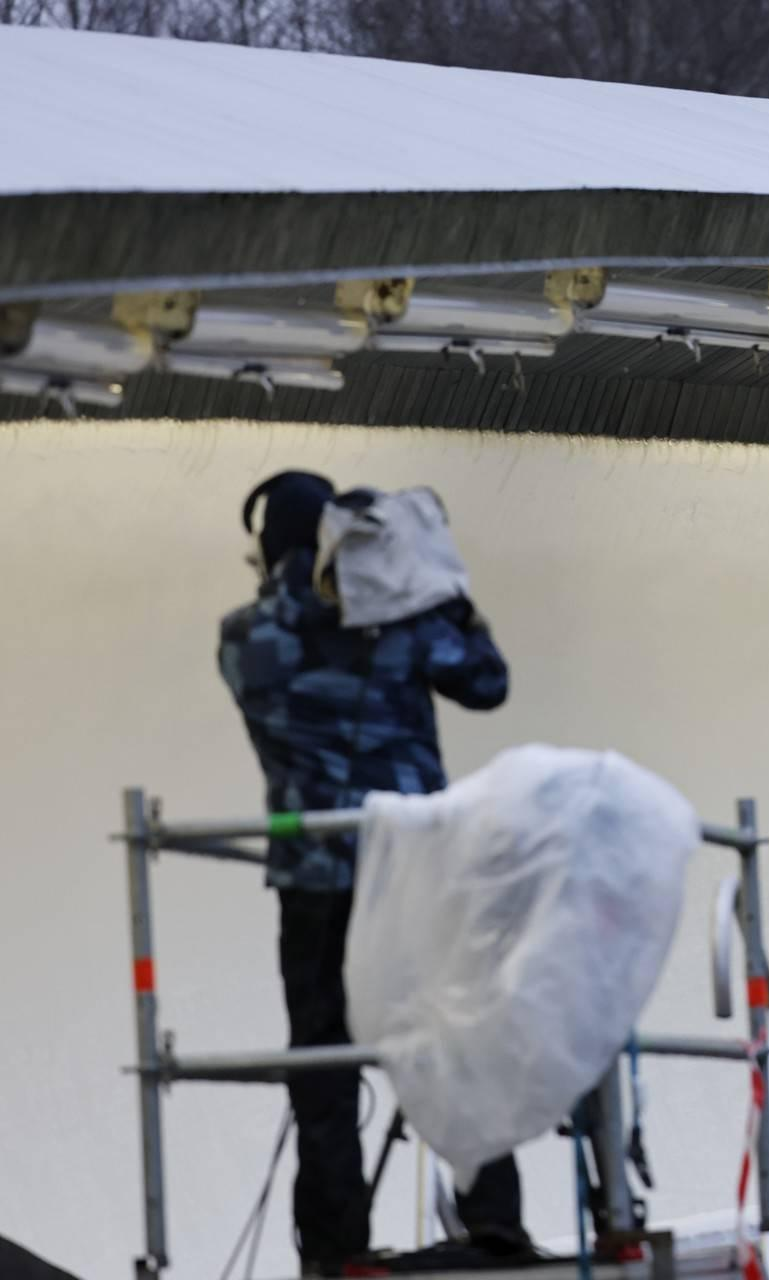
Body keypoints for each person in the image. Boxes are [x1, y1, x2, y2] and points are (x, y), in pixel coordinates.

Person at [219, 470, 530, 1277]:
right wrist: (433, 578)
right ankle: (492, 1219)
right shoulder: (401, 622)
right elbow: (487, 684)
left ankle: (336, 1248)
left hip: (313, 884)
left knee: (322, 1069)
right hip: (411, 871)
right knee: (452, 1039)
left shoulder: (242, 635)